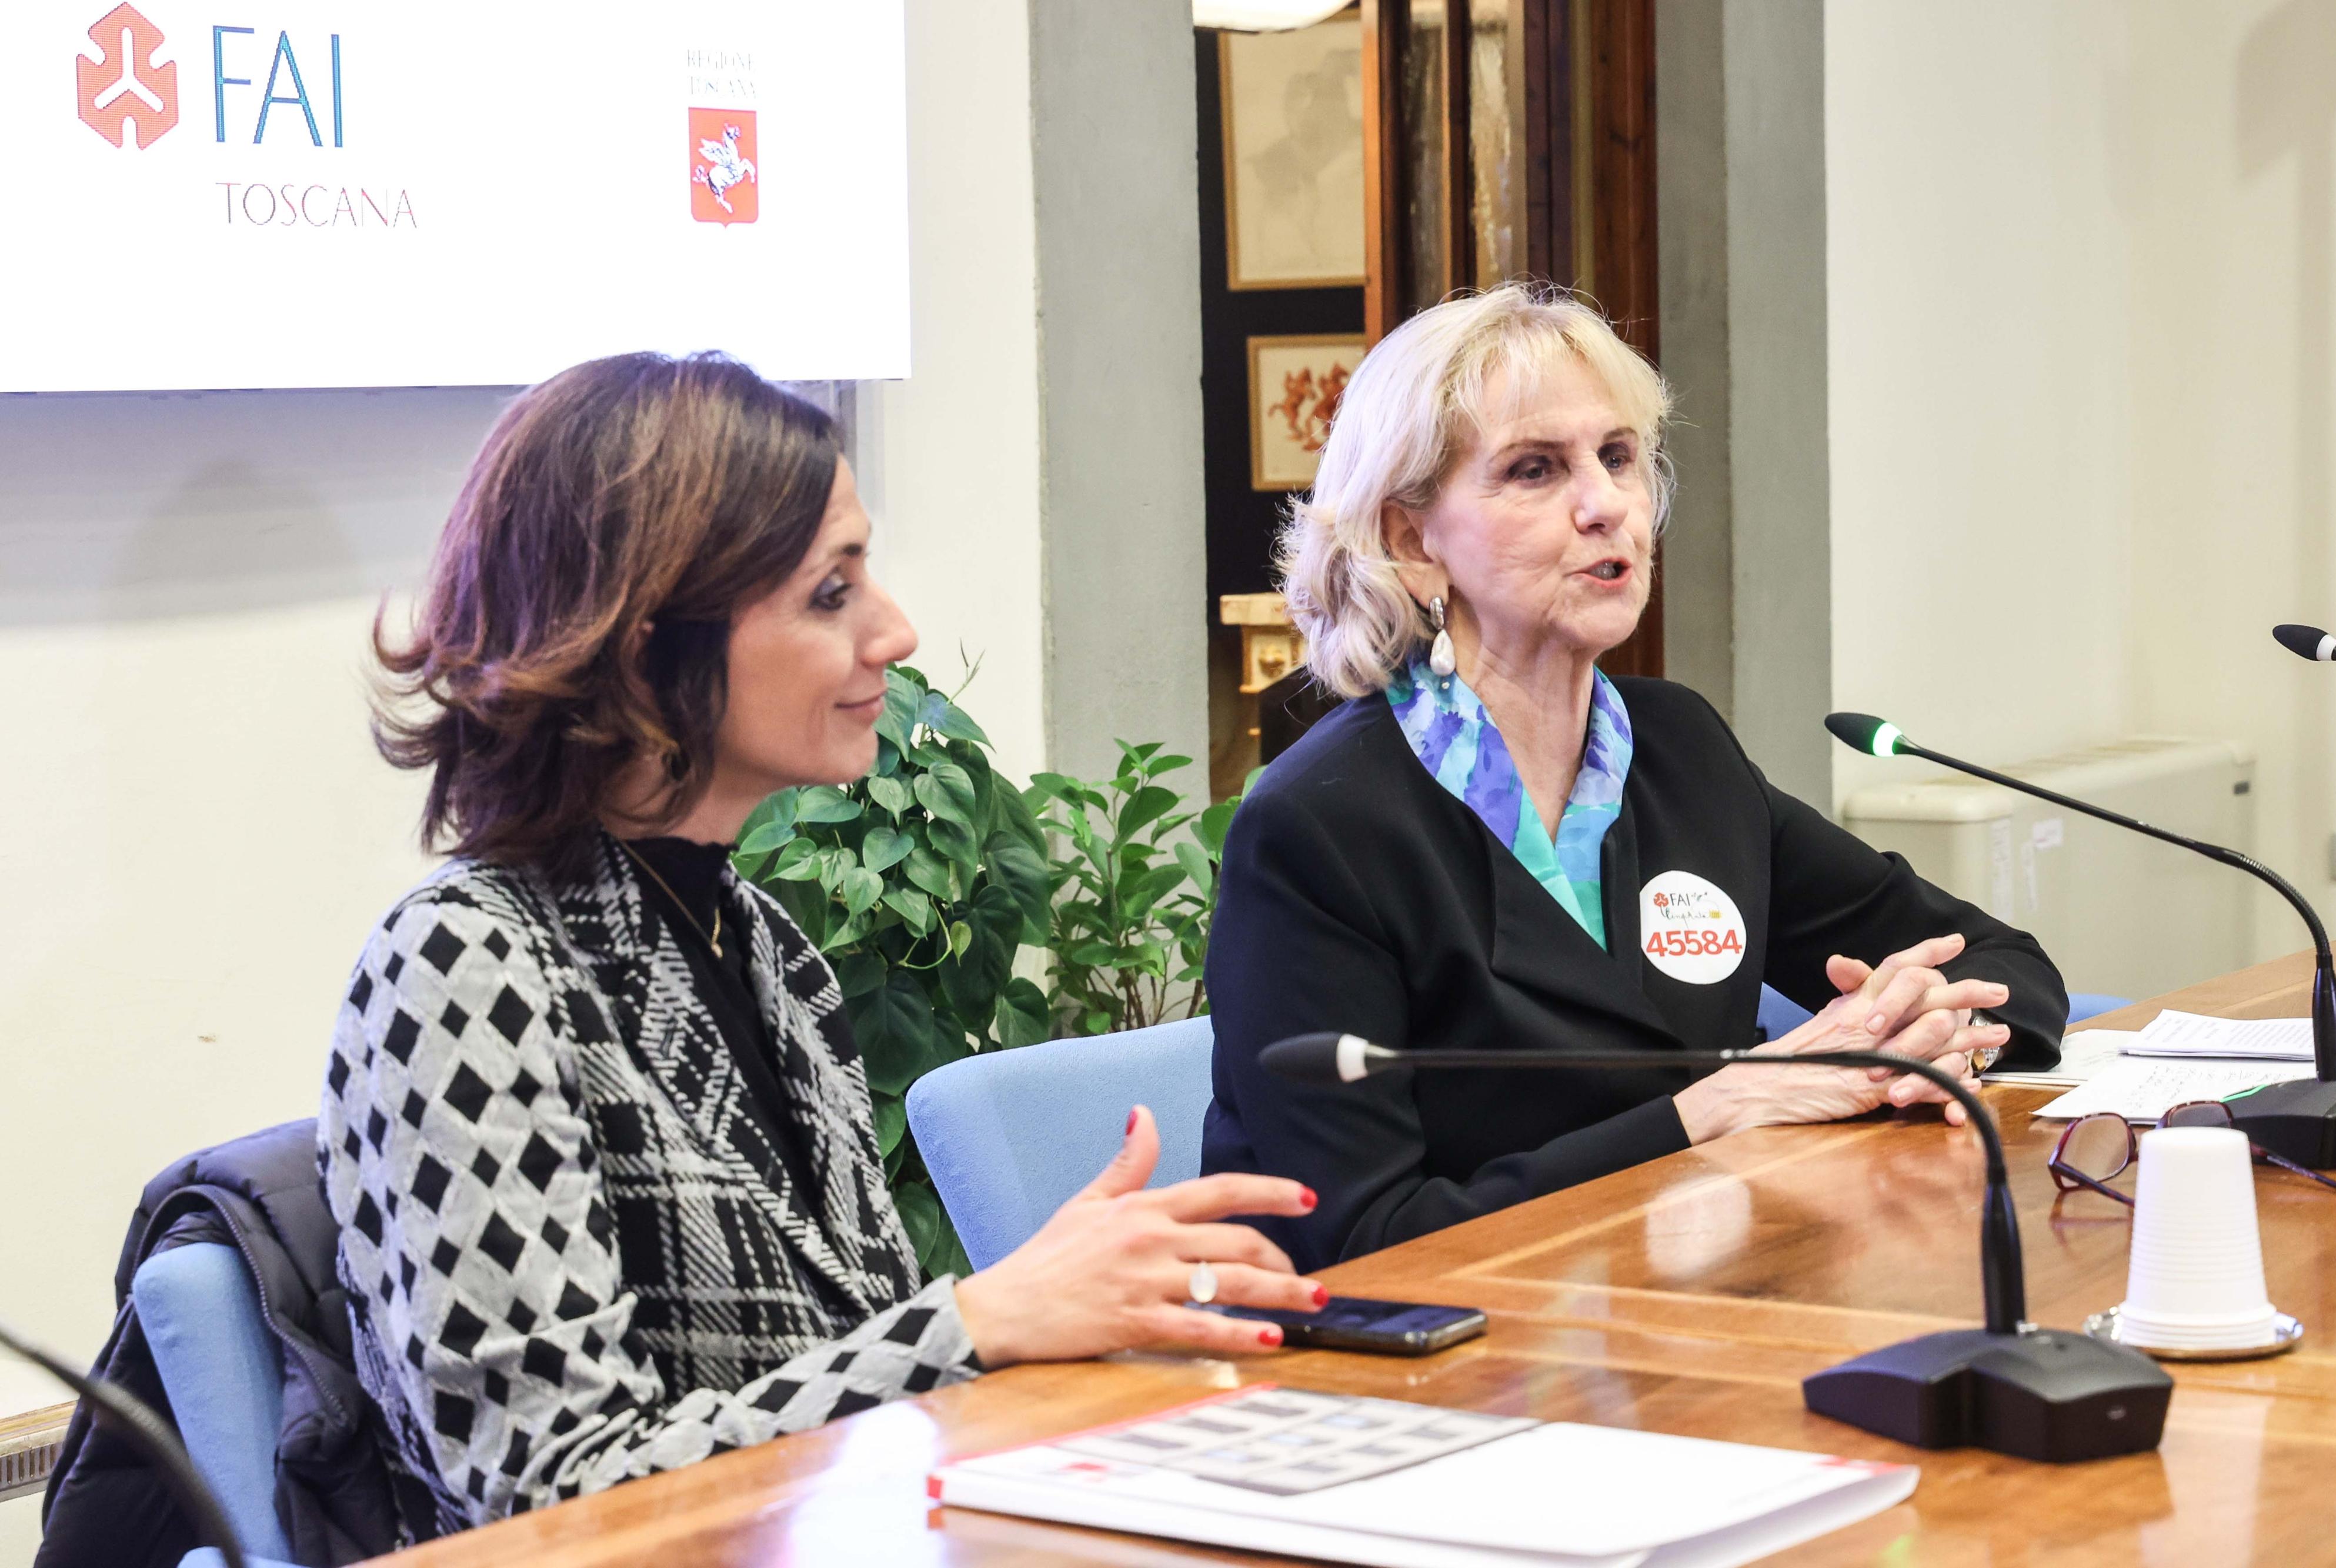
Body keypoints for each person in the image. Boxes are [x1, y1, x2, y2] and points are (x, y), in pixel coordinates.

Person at [319, 354, 1320, 1541]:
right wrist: (979, 1322)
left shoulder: (764, 942)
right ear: (646, 646)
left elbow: (861, 1376)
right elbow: (547, 1490)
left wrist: (1043, 1322)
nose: (893, 632)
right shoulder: (461, 968)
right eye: (829, 592)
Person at [1200, 283, 2067, 1272]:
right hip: (1441, 1371)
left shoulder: (1678, 746)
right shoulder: (1320, 825)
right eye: (1534, 470)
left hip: (1706, 1298)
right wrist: (1719, 1105)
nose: (1605, 503)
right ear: (1410, 540)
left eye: (1619, 457)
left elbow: (2013, 969)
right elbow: (1356, 1240)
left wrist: (1924, 1036)